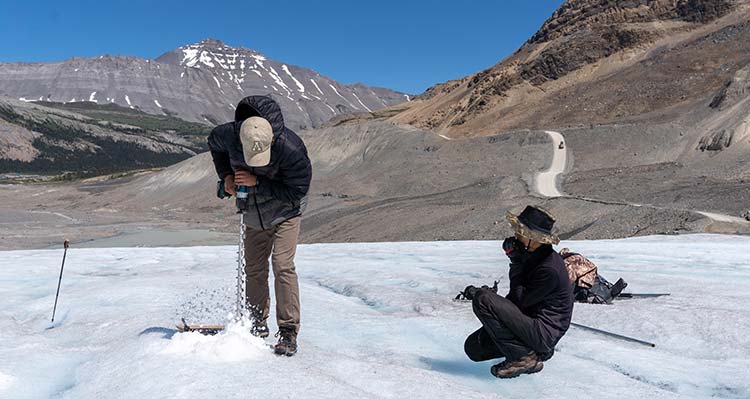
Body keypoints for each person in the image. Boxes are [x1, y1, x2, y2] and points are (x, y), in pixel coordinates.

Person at [208, 95, 312, 357]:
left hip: (286, 210)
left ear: (273, 140)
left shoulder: (292, 149)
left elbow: (296, 192)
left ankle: (288, 330)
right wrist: (227, 177)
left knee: (282, 264)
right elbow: (214, 144)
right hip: (253, 209)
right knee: (254, 267)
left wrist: (258, 183)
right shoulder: (228, 134)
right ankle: (257, 321)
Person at [462, 205, 573, 378]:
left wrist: (515, 263)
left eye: (520, 233)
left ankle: (524, 358)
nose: (516, 236)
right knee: (474, 347)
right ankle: (533, 352)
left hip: (543, 331)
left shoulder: (549, 268)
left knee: (483, 299)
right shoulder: (534, 256)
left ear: (534, 239)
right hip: (530, 324)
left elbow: (519, 301)